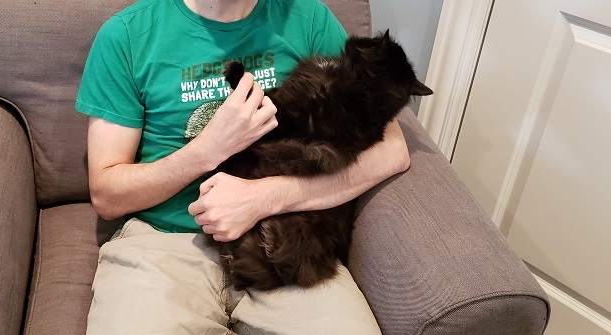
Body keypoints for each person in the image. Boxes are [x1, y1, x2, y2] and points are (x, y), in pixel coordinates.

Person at [76, 0, 410, 333]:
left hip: (290, 244)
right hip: (165, 246)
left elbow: (393, 151)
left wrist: (266, 197)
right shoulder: (127, 36)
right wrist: (207, 150)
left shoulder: (308, 18)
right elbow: (107, 195)